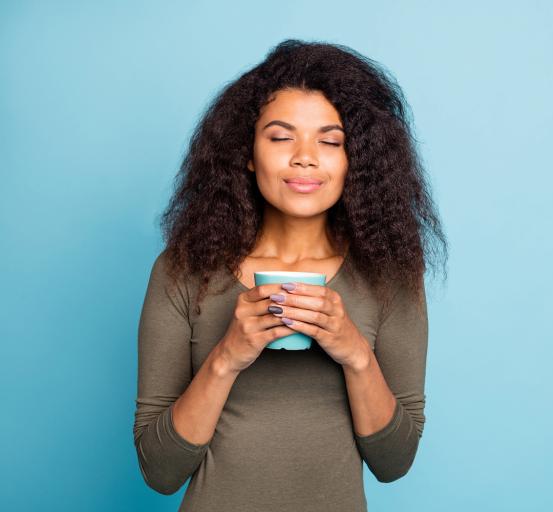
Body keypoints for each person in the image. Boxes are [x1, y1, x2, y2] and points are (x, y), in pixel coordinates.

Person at [133, 39, 448, 511]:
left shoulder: (391, 276)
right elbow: (159, 471)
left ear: (353, 160)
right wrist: (227, 355)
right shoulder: (182, 270)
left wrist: (355, 354)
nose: (305, 157)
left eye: (330, 140)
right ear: (247, 152)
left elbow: (393, 462)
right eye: (281, 137)